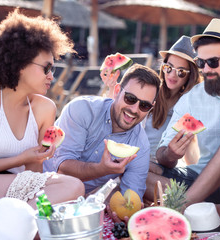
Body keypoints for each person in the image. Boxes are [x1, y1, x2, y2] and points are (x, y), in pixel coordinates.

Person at [145, 18, 220, 212]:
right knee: (138, 172)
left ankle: (183, 204)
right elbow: (163, 154)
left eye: (213, 62)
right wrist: (170, 154)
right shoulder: (191, 98)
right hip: (200, 180)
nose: (206, 69)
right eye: (201, 62)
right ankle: (215, 207)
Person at [0, 10, 85, 211]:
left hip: (18, 187)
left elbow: (33, 174)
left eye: (53, 69)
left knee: (64, 197)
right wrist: (20, 159)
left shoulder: (45, 108)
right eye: (46, 68)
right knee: (72, 186)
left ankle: (15, 227)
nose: (51, 76)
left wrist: (38, 157)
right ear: (20, 64)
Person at [43, 64, 160, 202]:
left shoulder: (141, 145)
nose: (134, 109)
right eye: (130, 98)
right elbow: (62, 168)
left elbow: (131, 196)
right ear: (117, 91)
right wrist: (102, 169)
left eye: (144, 105)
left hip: (81, 203)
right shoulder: (82, 109)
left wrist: (126, 210)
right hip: (41, 183)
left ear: (151, 108)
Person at [100, 36, 202, 165]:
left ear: (190, 75)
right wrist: (111, 86)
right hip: (130, 156)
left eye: (181, 72)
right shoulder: (150, 92)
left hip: (161, 165)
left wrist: (197, 177)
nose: (172, 75)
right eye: (168, 68)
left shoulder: (189, 105)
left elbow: (190, 146)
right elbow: (115, 115)